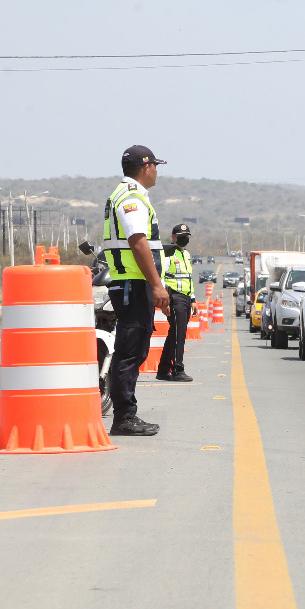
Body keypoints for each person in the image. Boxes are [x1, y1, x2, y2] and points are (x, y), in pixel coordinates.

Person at [102, 145, 171, 437]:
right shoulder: (131, 197)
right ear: (146, 167)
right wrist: (156, 285)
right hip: (133, 283)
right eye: (155, 166)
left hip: (131, 282)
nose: (156, 171)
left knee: (134, 349)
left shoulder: (128, 194)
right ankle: (124, 417)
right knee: (129, 351)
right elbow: (138, 242)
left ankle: (125, 414)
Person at [156, 223, 196, 382]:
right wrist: (165, 301)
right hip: (174, 297)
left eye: (186, 236)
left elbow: (188, 278)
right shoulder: (168, 254)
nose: (184, 239)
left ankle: (163, 369)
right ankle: (178, 369)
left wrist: (193, 299)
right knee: (179, 335)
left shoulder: (186, 254)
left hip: (186, 298)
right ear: (173, 237)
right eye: (181, 236)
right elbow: (161, 277)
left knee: (175, 334)